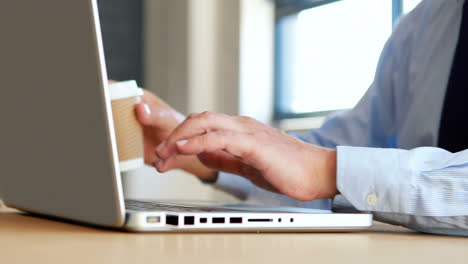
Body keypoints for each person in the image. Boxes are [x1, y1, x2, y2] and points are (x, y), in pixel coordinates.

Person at [133, 0, 468, 236]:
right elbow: (339, 158)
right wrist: (196, 150)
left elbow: (332, 169)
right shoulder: (426, 21)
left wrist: (327, 169)